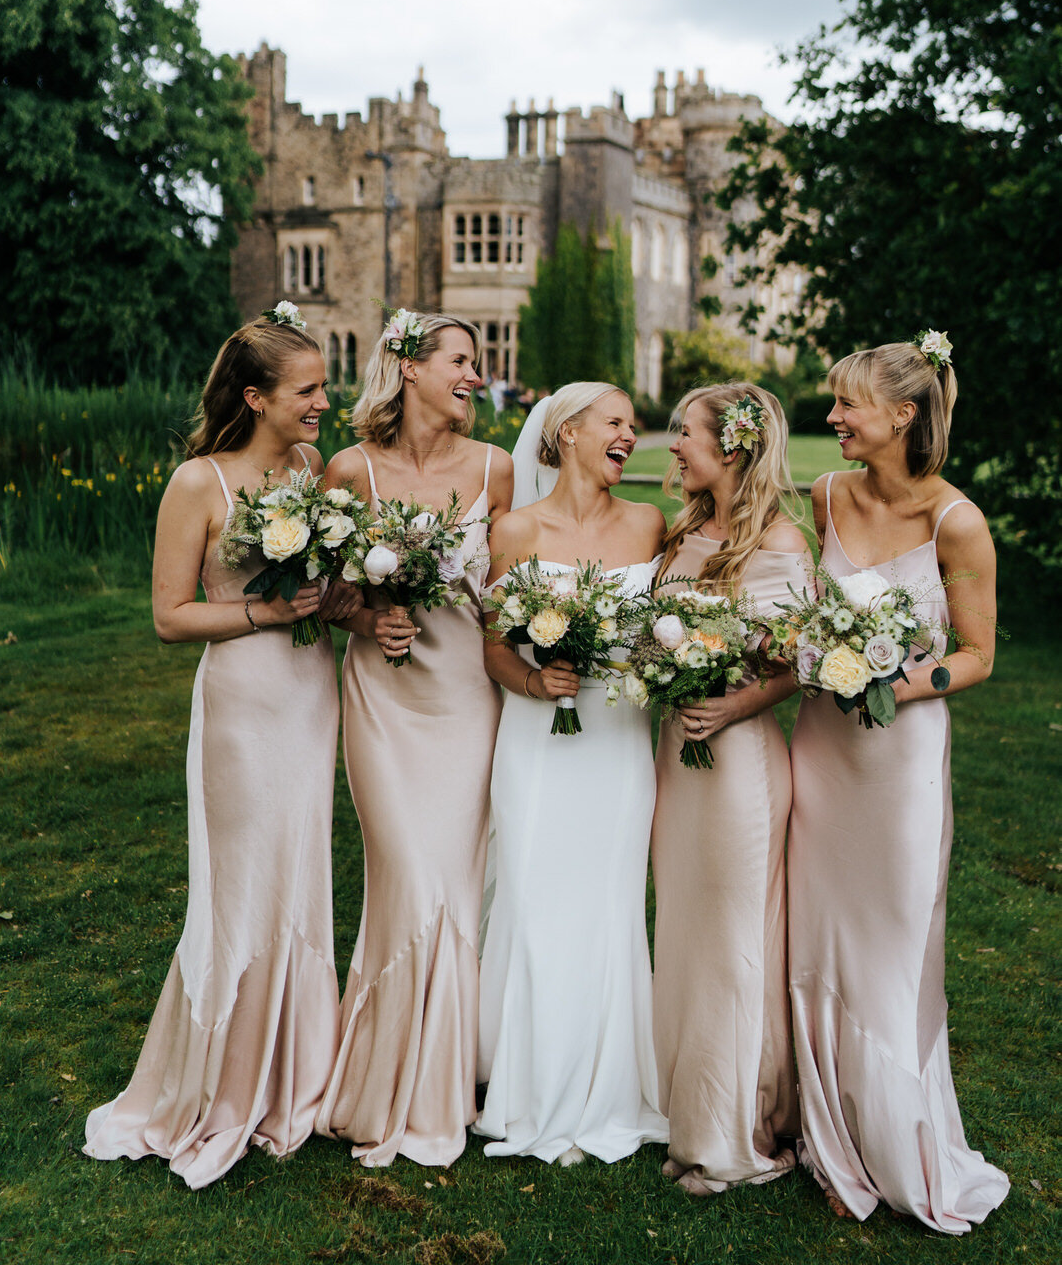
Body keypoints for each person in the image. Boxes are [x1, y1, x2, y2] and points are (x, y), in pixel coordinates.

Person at [84, 306, 359, 1188]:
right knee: (241, 885)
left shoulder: (313, 469)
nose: (325, 401)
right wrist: (267, 613)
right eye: (308, 390)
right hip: (244, 704)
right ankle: (219, 1081)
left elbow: (325, 586)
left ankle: (297, 1075)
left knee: (300, 870)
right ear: (256, 396)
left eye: (324, 386)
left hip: (312, 696)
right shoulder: (198, 483)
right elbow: (169, 616)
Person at [788, 335, 1009, 1232]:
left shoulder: (955, 520)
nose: (832, 418)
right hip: (821, 753)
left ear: (903, 415)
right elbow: (805, 605)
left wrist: (885, 680)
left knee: (892, 944)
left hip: (900, 761)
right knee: (821, 932)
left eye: (847, 404)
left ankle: (901, 1142)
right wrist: (822, 660)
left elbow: (979, 654)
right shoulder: (825, 495)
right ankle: (829, 1137)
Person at [315, 311, 513, 1167]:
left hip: (469, 698)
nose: (476, 375)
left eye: (476, 362)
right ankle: (388, 1068)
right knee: (406, 874)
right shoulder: (348, 470)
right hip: (385, 701)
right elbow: (318, 593)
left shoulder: (496, 471)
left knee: (457, 884)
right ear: (408, 367)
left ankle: (451, 1071)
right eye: (461, 361)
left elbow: (514, 597)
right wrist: (370, 615)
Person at [473, 382, 669, 1165]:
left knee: (609, 901)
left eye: (633, 425)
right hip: (536, 740)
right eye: (615, 422)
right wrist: (533, 681)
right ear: (568, 433)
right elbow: (493, 648)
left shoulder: (649, 524)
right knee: (532, 895)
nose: (630, 434)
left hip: (618, 741)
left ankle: (610, 1084)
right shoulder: (514, 529)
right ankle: (525, 1086)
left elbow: (663, 629)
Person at [652, 383, 811, 1196]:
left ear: (735, 446)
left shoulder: (778, 541)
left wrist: (732, 703)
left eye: (687, 434)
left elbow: (791, 666)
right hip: (676, 764)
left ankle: (730, 1132)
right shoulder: (683, 530)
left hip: (738, 763)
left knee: (730, 939)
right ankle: (681, 1107)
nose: (674, 445)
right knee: (683, 931)